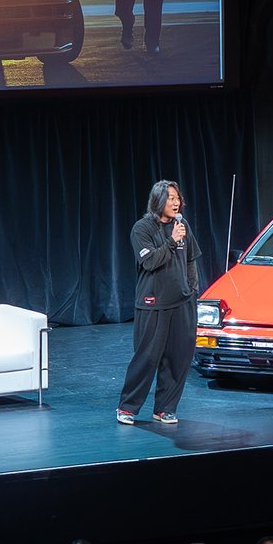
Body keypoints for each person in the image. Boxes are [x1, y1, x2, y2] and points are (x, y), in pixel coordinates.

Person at [116, 180, 200, 426]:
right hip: (153, 303)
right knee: (147, 358)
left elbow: (191, 259)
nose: (176, 203)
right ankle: (127, 408)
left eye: (177, 198)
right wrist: (172, 241)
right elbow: (151, 262)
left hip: (182, 302)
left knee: (179, 358)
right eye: (170, 198)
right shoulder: (141, 229)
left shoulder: (182, 225)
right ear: (158, 201)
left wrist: (193, 288)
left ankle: (165, 409)